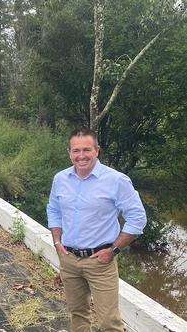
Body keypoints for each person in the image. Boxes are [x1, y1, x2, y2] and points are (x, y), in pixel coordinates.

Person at [47, 128, 146, 332]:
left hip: (100, 262)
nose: (81, 156)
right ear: (69, 153)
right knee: (78, 315)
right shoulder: (60, 179)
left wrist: (114, 250)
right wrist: (57, 241)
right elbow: (54, 210)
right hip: (69, 259)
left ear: (97, 150)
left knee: (109, 322)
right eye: (76, 151)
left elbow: (137, 219)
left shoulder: (116, 180)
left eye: (86, 150)